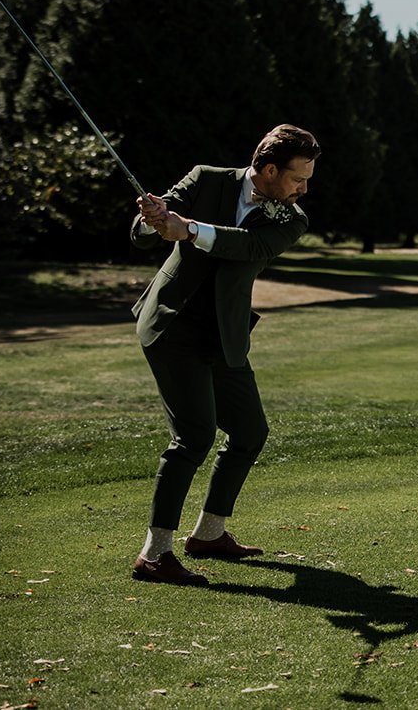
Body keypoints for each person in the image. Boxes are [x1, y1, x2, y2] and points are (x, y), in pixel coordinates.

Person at [127, 124, 320, 586]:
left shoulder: (291, 219)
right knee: (194, 437)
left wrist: (188, 229)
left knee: (250, 433)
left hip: (223, 335)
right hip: (173, 325)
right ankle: (155, 555)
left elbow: (245, 246)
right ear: (270, 170)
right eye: (298, 178)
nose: (304, 188)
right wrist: (153, 219)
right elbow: (141, 236)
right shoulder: (206, 179)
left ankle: (209, 534)